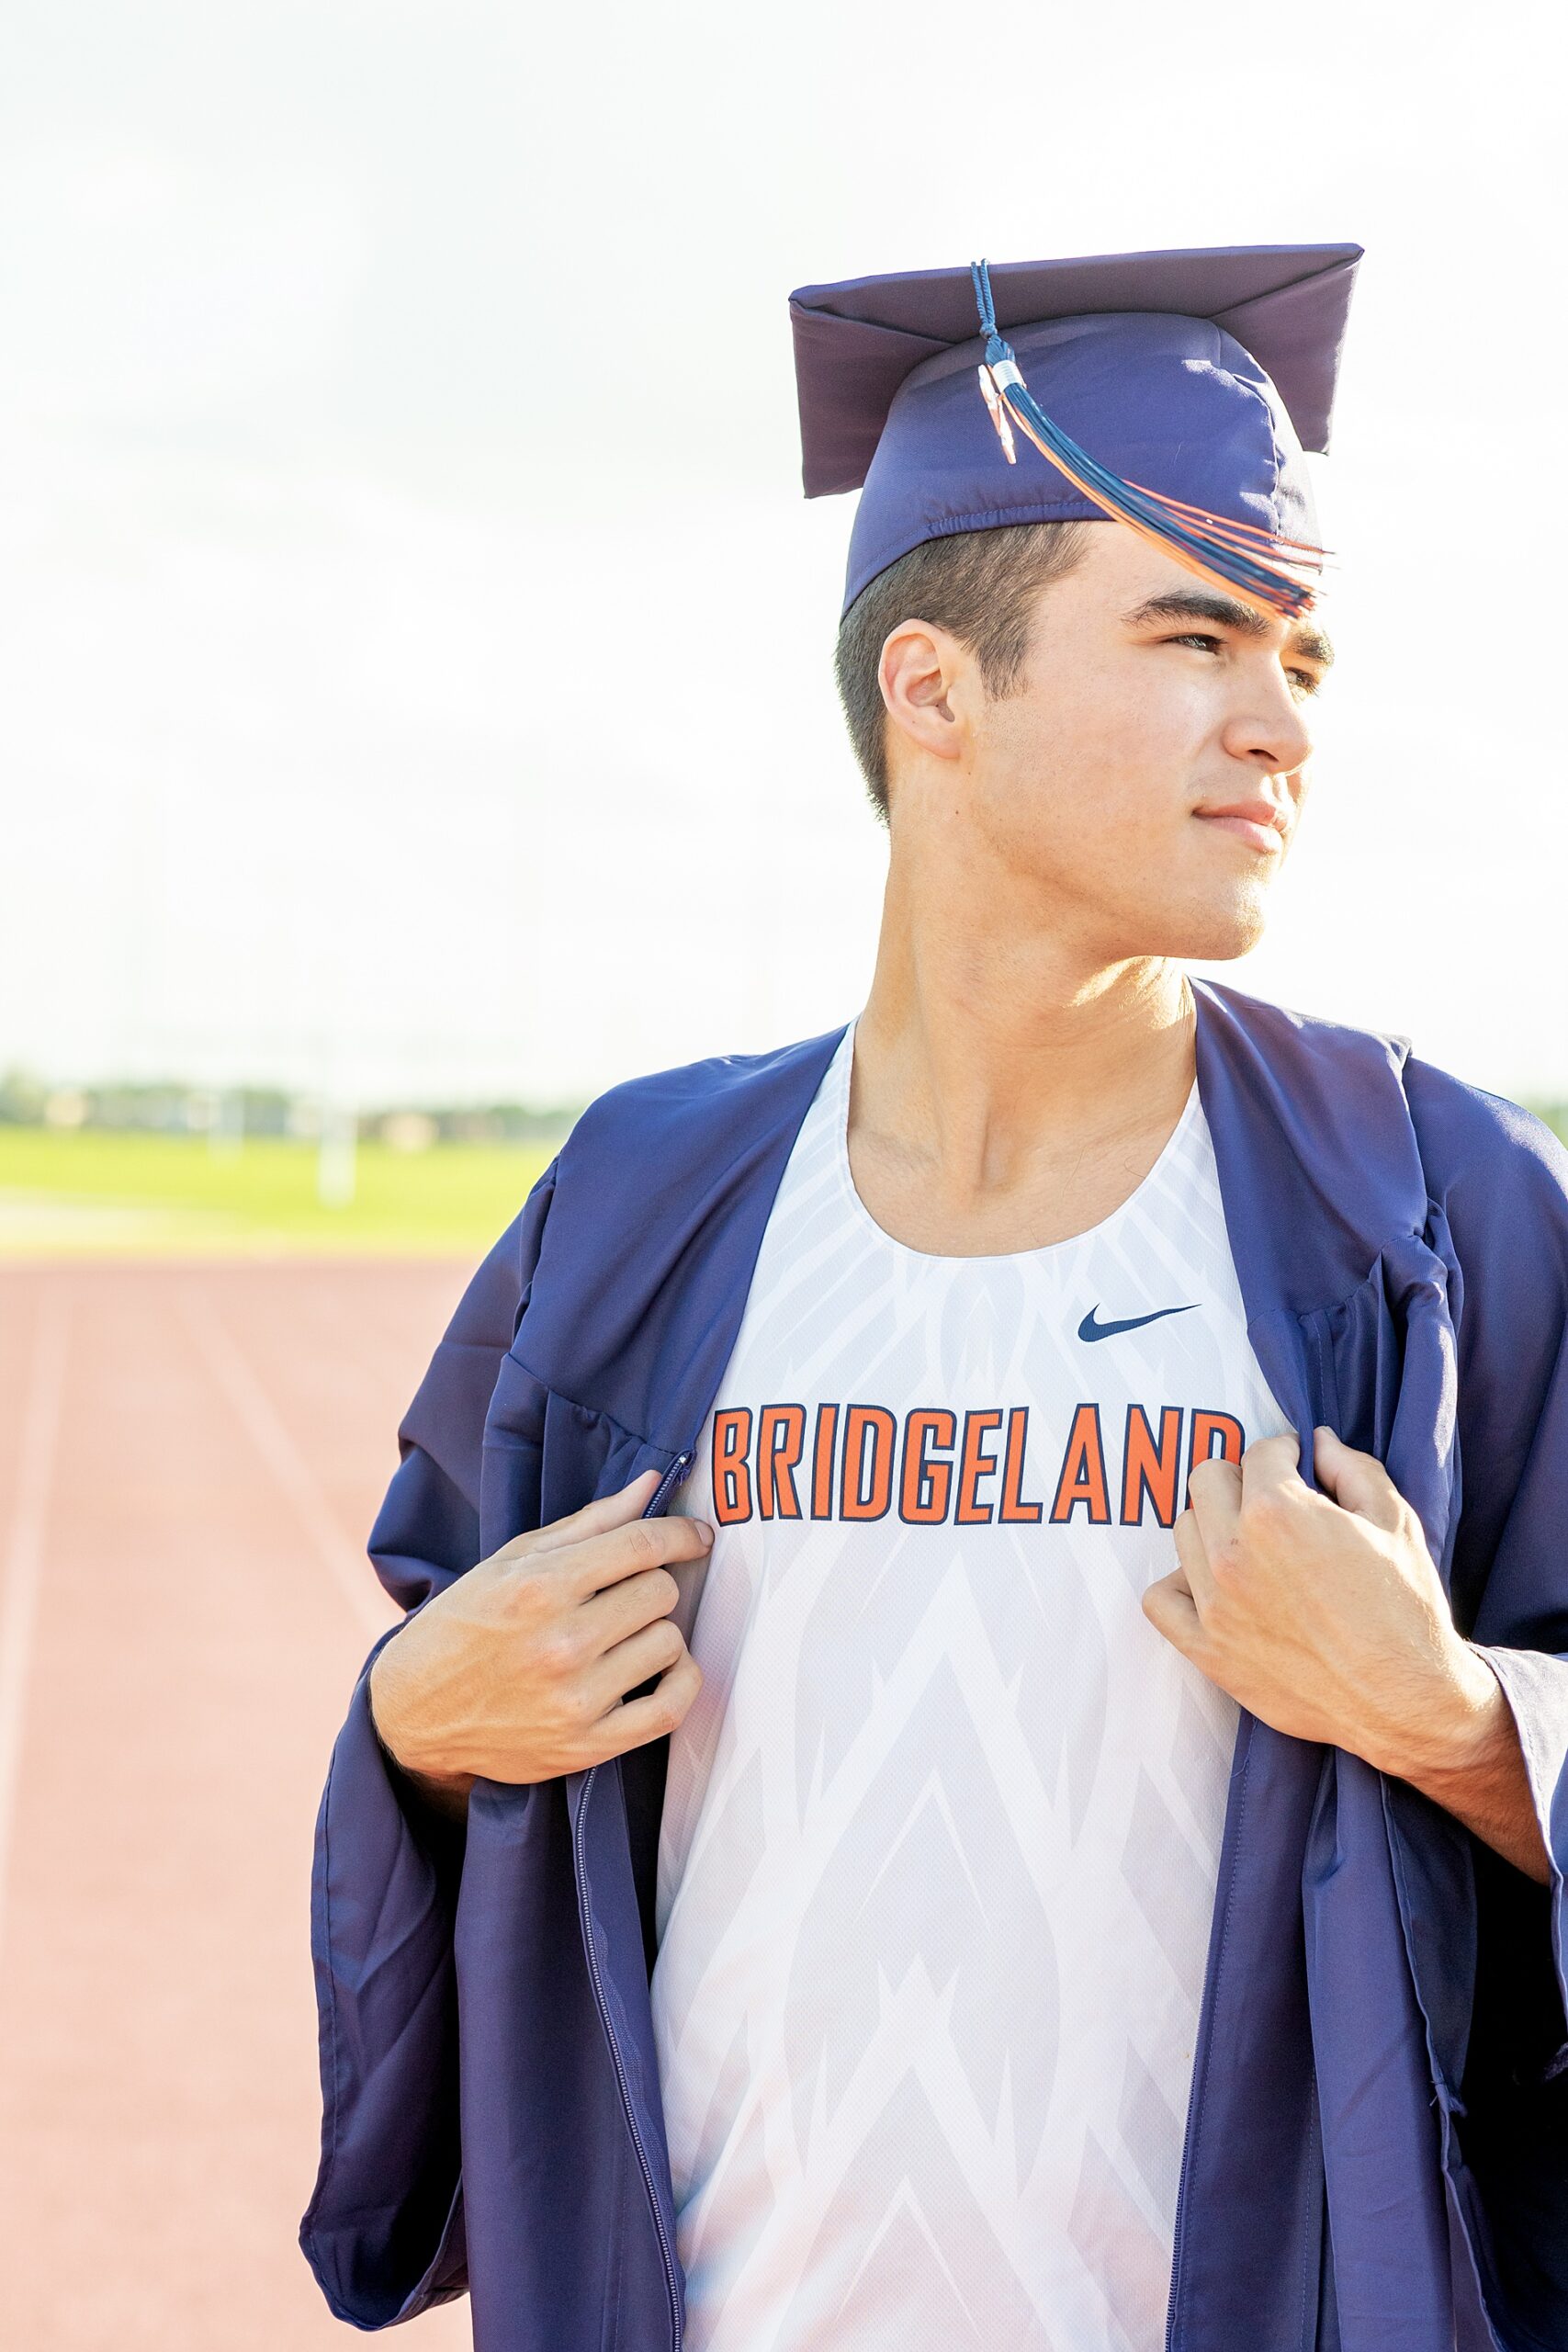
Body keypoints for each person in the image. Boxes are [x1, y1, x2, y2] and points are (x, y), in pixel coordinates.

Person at [299, 246, 1568, 2352]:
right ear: (932, 690)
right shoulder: (639, 1208)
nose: (1278, 720)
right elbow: (450, 1691)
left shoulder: (1426, 1211)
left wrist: (1451, 1724)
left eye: (1302, 657)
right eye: (1192, 633)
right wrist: (415, 1731)